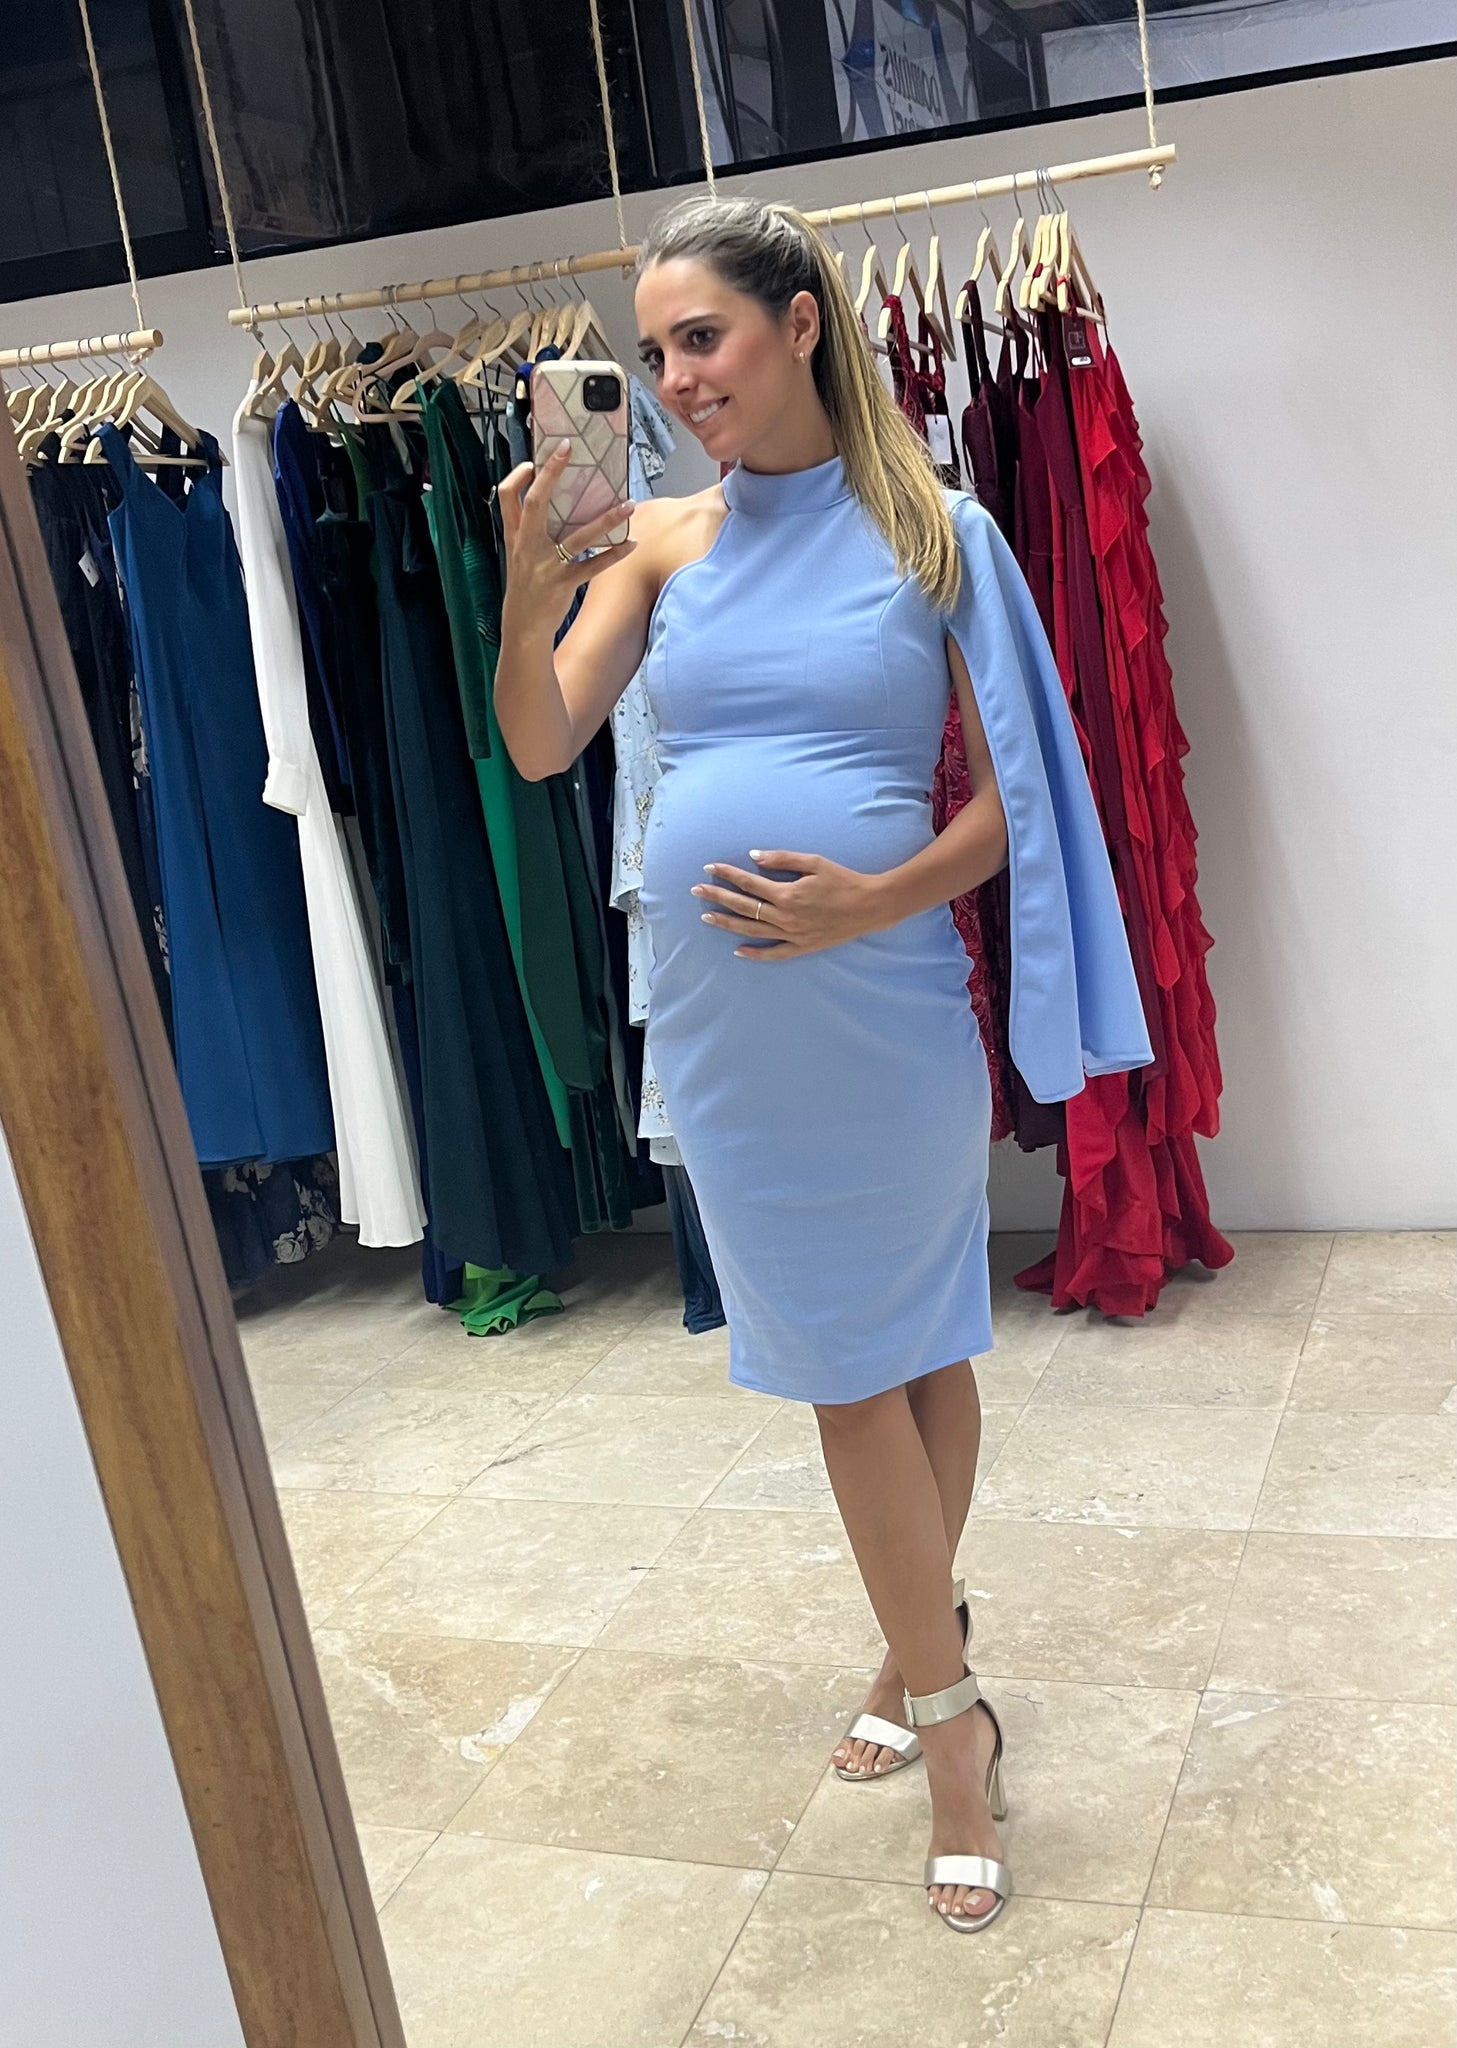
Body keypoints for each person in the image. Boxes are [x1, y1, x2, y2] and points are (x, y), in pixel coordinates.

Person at [494, 195, 1152, 1934]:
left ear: (798, 325)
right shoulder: (655, 540)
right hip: (728, 1023)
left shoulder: (937, 528)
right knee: (850, 1365)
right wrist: (524, 593)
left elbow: (1019, 803)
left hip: (886, 1005)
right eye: (652, 353)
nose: (673, 378)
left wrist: (872, 897)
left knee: (910, 1343)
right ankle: (934, 1664)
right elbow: (541, 741)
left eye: (700, 337)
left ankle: (944, 1728)